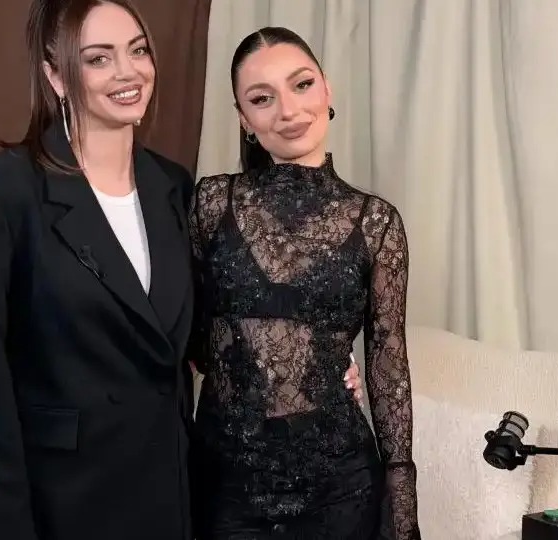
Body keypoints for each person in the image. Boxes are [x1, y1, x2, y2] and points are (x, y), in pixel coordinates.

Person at [0, 1, 364, 538]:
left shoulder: (174, 187)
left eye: (138, 50)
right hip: (64, 504)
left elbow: (207, 338)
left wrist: (317, 354)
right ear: (56, 76)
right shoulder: (1, 192)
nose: (128, 72)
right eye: (98, 59)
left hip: (171, 497)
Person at [187, 27, 420, 539]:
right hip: (227, 487)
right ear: (244, 119)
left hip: (341, 488)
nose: (288, 110)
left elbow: (388, 363)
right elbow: (193, 338)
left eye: (301, 84)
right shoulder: (210, 204)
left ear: (327, 89)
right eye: (262, 98)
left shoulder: (377, 223)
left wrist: (402, 510)